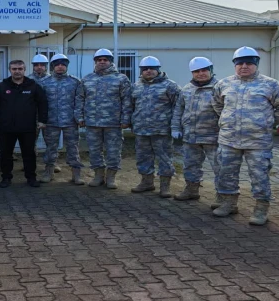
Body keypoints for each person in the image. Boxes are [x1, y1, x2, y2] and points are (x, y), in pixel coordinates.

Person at [212, 47, 279, 226]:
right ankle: (229, 203)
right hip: (229, 139)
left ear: (256, 64)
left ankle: (260, 209)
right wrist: (227, 120)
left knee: (259, 176)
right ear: (234, 64)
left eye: (249, 63)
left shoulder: (271, 85)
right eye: (240, 63)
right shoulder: (223, 84)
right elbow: (217, 105)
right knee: (226, 173)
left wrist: (267, 122)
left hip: (258, 141)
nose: (244, 66)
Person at [0, 60, 48, 188]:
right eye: (14, 69)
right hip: (6, 127)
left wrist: (42, 120)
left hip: (27, 127)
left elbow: (43, 104)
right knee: (6, 154)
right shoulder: (2, 86)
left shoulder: (33, 86)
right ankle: (6, 178)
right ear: (10, 70)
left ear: (24, 70)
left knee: (29, 154)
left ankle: (31, 178)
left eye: (20, 69)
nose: (17, 71)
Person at [79, 48, 131, 189]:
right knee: (94, 151)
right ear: (95, 62)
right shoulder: (87, 79)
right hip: (92, 122)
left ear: (110, 62)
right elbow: (80, 99)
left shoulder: (121, 79)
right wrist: (80, 117)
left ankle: (111, 177)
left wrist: (126, 119)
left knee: (113, 151)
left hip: (113, 123)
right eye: (99, 60)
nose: (102, 62)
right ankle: (98, 175)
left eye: (105, 60)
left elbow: (127, 100)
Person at [171, 57, 220, 203]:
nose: (201, 73)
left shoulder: (220, 88)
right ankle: (191, 190)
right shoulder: (186, 89)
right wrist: (175, 127)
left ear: (211, 70)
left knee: (220, 168)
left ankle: (223, 197)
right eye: (196, 71)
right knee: (190, 165)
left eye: (204, 70)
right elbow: (178, 110)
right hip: (190, 137)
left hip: (214, 137)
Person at [130, 56, 180, 196]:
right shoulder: (136, 86)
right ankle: (147, 182)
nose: (149, 71)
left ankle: (165, 186)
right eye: (145, 69)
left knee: (164, 158)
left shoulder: (170, 86)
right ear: (141, 71)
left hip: (161, 130)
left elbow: (178, 107)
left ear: (158, 69)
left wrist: (175, 127)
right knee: (143, 157)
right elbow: (131, 106)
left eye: (152, 68)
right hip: (141, 130)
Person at [39, 54, 85, 185]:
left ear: (66, 66)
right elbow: (40, 103)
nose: (60, 67)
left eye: (63, 64)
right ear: (53, 66)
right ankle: (49, 172)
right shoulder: (45, 82)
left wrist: (79, 117)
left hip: (70, 121)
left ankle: (76, 174)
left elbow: (79, 101)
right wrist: (41, 119)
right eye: (57, 64)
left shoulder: (75, 82)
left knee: (73, 148)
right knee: (50, 148)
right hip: (51, 121)